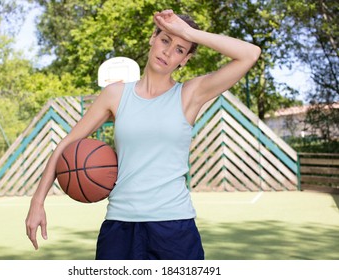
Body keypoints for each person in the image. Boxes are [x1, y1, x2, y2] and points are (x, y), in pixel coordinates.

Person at [25, 9, 261, 259]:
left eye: (180, 50)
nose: (168, 52)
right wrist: (37, 201)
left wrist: (188, 32)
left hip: (174, 227)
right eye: (165, 40)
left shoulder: (190, 95)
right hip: (120, 225)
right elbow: (67, 144)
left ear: (184, 61)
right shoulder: (115, 94)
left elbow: (249, 54)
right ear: (153, 38)